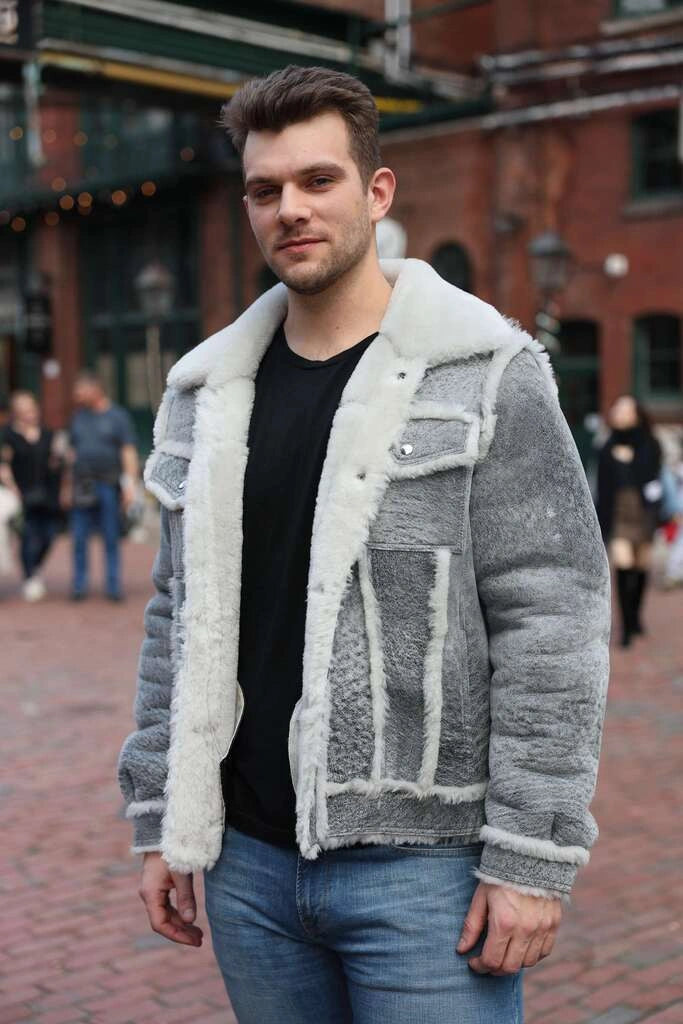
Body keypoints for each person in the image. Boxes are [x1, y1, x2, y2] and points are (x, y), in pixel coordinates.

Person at [117, 66, 611, 1024]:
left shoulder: (486, 373)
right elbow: (177, 619)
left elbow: (552, 618)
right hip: (248, 865)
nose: (289, 210)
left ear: (376, 193)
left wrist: (532, 859)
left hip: (423, 872)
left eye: (317, 181)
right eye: (265, 190)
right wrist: (161, 818)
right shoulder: (206, 395)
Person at [62, 372, 139, 601]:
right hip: (81, 484)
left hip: (108, 484)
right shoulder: (78, 417)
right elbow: (71, 454)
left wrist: (129, 484)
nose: (77, 395)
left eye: (81, 390)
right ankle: (79, 586)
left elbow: (128, 451)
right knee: (78, 538)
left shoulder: (118, 417)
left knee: (111, 536)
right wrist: (66, 485)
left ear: (95, 389)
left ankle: (113, 587)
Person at [596, 394, 662, 647]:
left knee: (642, 566)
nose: (619, 414)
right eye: (616, 409)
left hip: (644, 512)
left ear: (636, 414)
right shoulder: (605, 447)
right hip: (619, 514)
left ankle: (636, 617)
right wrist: (603, 524)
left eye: (625, 410)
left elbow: (651, 476)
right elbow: (603, 489)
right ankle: (626, 627)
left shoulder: (651, 443)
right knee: (623, 564)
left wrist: (630, 459)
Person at [0, 390, 66, 601]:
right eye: (26, 410)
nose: (31, 414)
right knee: (28, 536)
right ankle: (30, 577)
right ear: (17, 413)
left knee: (48, 534)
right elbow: (4, 465)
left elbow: (56, 461)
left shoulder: (47, 434)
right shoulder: (8, 435)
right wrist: (12, 489)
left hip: (47, 493)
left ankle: (35, 568)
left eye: (32, 409)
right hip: (22, 493)